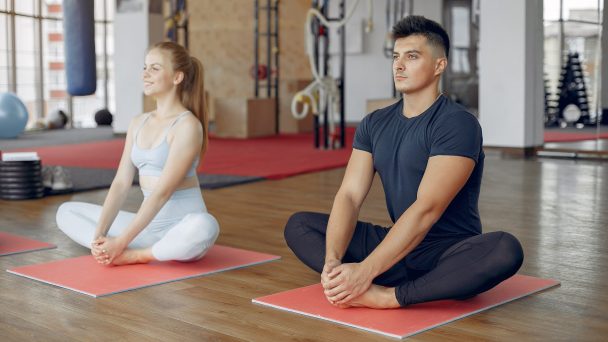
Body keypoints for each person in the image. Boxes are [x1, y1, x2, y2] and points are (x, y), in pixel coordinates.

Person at [284, 16, 524, 308]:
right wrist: (332, 261)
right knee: (299, 226)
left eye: (412, 57)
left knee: (504, 249)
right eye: (396, 57)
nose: (398, 65)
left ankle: (388, 295)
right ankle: (352, 278)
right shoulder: (374, 123)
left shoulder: (457, 123)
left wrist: (365, 270)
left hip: (445, 253)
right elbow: (349, 195)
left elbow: (426, 210)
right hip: (396, 244)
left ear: (439, 65)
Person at [56, 42, 219, 266]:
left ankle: (137, 254)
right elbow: (121, 183)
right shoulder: (138, 122)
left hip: (182, 228)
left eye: (155, 68)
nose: (145, 74)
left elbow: (162, 192)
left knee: (205, 226)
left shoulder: (187, 125)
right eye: (144, 67)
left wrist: (122, 242)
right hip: (148, 229)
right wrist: (99, 234)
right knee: (66, 212)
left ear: (177, 77)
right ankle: (108, 248)